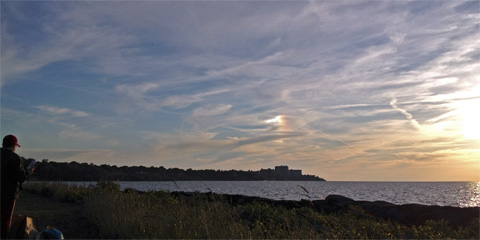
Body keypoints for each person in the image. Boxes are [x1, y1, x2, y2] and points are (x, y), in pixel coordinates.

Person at [1, 135, 33, 239]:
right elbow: (21, 177)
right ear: (13, 146)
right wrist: (28, 172)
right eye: (15, 146)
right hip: (9, 194)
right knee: (5, 219)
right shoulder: (14, 158)